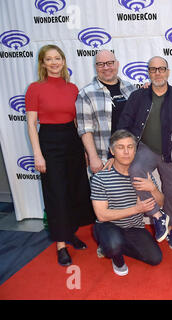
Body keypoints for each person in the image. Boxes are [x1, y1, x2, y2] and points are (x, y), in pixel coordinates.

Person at [25, 44, 95, 266]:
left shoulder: (72, 88)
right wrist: (38, 154)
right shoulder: (35, 88)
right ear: (43, 63)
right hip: (49, 142)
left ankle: (70, 233)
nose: (54, 63)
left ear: (63, 61)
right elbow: (31, 124)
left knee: (74, 189)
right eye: (49, 59)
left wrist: (84, 149)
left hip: (72, 140)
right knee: (57, 193)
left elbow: (77, 121)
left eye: (58, 58)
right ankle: (61, 245)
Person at [118, 56, 172, 250]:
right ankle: (158, 217)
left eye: (161, 69)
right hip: (146, 148)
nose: (157, 73)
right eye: (153, 69)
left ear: (168, 72)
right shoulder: (138, 96)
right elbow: (125, 122)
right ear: (149, 72)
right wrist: (126, 147)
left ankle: (168, 230)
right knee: (135, 170)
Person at [91, 130, 163, 276]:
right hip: (108, 225)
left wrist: (154, 189)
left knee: (155, 259)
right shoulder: (100, 178)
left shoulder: (143, 175)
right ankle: (113, 252)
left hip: (134, 227)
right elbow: (102, 215)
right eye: (120, 147)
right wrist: (137, 209)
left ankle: (114, 245)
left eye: (130, 147)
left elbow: (160, 203)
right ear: (112, 151)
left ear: (135, 151)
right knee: (113, 244)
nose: (126, 152)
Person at [76, 49, 136, 174]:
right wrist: (93, 157)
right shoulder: (86, 94)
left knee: (134, 193)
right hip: (104, 160)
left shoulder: (131, 88)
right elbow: (85, 129)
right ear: (96, 67)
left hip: (132, 158)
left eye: (110, 63)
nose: (106, 67)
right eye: (101, 64)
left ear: (117, 64)